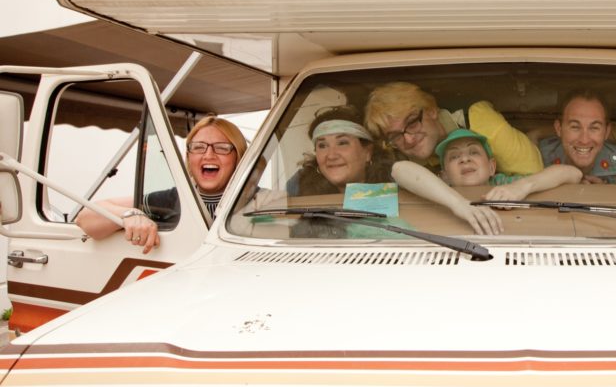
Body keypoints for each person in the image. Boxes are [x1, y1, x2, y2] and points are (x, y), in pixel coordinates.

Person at [75, 115, 247, 254]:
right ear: (188, 157)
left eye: (222, 147)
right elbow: (86, 218)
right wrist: (130, 215)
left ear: (238, 156)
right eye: (198, 147)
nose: (208, 155)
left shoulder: (262, 202)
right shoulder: (170, 199)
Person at [391, 128, 582, 235]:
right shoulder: (441, 189)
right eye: (454, 157)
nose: (465, 159)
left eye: (473, 152)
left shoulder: (505, 183)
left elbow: (573, 173)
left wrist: (522, 187)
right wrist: (459, 204)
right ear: (444, 175)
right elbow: (399, 169)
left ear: (492, 167)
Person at [364, 82, 543, 176]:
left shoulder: (478, 119)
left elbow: (532, 176)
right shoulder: (396, 154)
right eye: (395, 135)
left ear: (432, 110)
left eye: (412, 123)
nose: (409, 139)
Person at [539, 90, 616, 183]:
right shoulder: (537, 158)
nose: (584, 140)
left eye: (594, 128)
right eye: (575, 127)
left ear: (607, 132)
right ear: (559, 129)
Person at [288, 105, 392, 195]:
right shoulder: (298, 186)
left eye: (342, 143)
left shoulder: (395, 183)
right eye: (322, 146)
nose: (331, 155)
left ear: (368, 152)